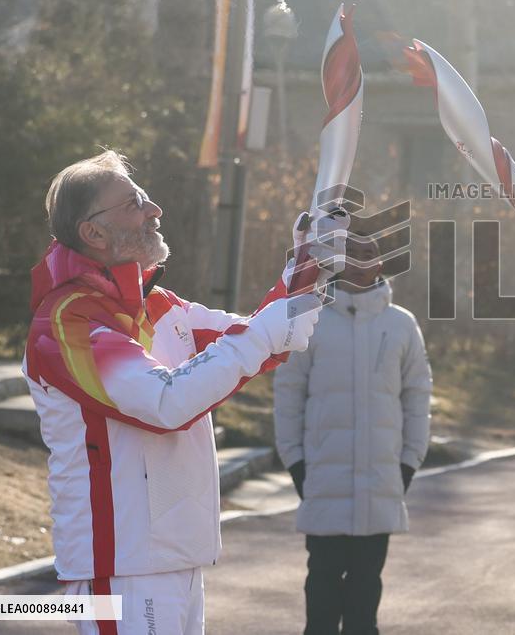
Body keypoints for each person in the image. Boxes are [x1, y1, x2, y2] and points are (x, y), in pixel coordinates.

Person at [24, 150, 343, 634]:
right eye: (134, 203)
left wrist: (306, 270)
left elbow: (262, 339)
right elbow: (165, 404)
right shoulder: (66, 323)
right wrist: (266, 333)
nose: (154, 210)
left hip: (177, 553)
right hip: (122, 562)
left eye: (146, 198)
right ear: (93, 232)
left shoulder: (157, 306)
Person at [274, 235, 432, 635]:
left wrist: (408, 463)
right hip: (323, 481)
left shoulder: (401, 324)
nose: (362, 260)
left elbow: (417, 397)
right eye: (353, 252)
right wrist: (295, 462)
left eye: (370, 253)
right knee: (322, 600)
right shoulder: (309, 319)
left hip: (381, 484)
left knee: (364, 605)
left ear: (381, 264)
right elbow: (288, 394)